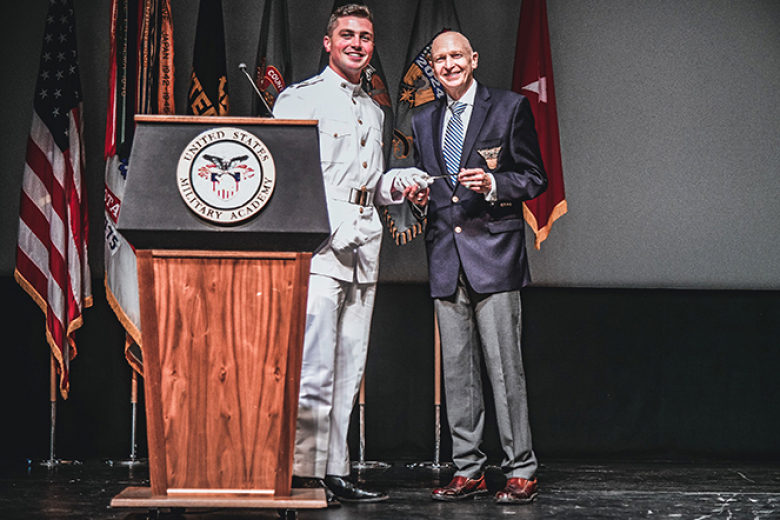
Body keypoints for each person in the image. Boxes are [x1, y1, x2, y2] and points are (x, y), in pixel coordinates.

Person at [272, 4, 424, 506]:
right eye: (347, 35)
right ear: (327, 42)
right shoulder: (300, 100)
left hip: (365, 247)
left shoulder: (374, 109)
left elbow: (368, 183)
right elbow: (290, 180)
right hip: (321, 248)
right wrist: (332, 227)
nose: (357, 44)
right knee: (314, 364)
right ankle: (304, 474)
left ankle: (335, 470)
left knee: (349, 365)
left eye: (365, 37)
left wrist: (396, 183)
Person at [404, 31, 548, 504]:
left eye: (456, 57)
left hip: (495, 258)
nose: (448, 65)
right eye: (440, 59)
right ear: (433, 66)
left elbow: (533, 177)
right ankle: (468, 469)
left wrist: (492, 183)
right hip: (445, 256)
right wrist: (419, 195)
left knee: (506, 369)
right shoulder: (422, 117)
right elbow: (431, 185)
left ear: (474, 59)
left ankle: (520, 469)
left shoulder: (508, 107)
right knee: (458, 374)